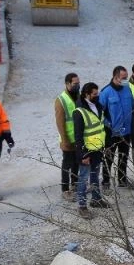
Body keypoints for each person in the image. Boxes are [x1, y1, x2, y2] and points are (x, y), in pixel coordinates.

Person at [72, 82, 110, 219]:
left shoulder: (98, 106)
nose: (97, 96)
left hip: (98, 149)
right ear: (86, 94)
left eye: (97, 93)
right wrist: (83, 154)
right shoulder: (79, 112)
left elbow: (99, 128)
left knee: (95, 176)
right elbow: (78, 136)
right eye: (94, 94)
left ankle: (96, 199)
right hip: (87, 152)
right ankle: (82, 206)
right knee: (83, 179)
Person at [98, 66, 134, 188]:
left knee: (124, 157)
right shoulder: (105, 92)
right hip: (111, 132)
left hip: (126, 131)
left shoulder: (127, 88)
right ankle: (106, 181)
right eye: (123, 78)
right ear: (115, 77)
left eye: (126, 77)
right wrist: (108, 125)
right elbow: (98, 113)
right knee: (108, 158)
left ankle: (122, 180)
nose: (126, 80)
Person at [55, 72, 80, 201]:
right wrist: (65, 140)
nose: (78, 85)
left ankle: (75, 184)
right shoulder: (61, 100)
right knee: (67, 164)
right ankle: (65, 189)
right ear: (67, 84)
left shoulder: (78, 96)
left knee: (77, 163)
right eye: (75, 83)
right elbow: (60, 122)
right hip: (68, 140)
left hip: (78, 138)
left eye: (78, 83)